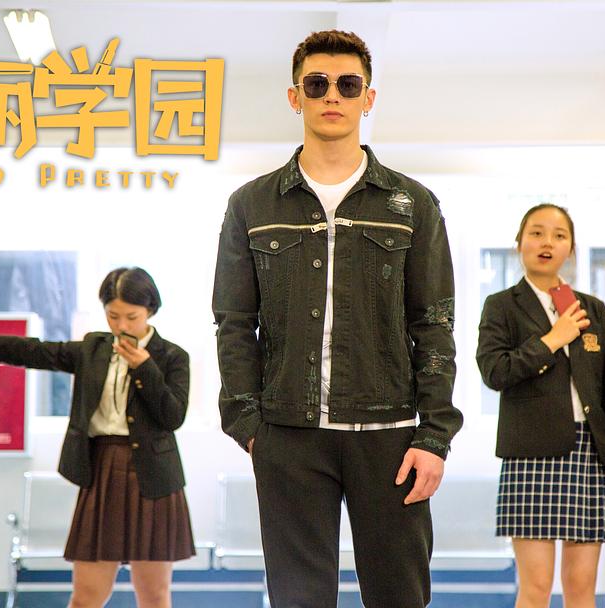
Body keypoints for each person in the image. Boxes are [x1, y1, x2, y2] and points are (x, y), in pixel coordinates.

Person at [212, 29, 462, 607]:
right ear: (294, 96)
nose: (332, 95)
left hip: (391, 437)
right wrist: (248, 424)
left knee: (399, 597)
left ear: (367, 99)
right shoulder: (251, 204)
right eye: (317, 84)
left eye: (348, 85)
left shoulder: (412, 204)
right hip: (288, 436)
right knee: (299, 600)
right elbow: (233, 322)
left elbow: (434, 324)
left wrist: (434, 435)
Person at [0, 267, 194, 608]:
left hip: (155, 477)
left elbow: (173, 416)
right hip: (102, 470)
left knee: (154, 595)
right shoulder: (94, 348)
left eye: (131, 317)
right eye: (113, 315)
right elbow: (33, 351)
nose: (121, 325)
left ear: (150, 310)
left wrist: (145, 368)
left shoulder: (173, 356)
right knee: (86, 595)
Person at [476, 204, 605, 608]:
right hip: (530, 452)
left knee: (582, 586)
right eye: (537, 233)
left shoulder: (590, 307)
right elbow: (495, 371)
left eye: (559, 235)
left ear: (571, 248)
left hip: (590, 452)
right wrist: (552, 339)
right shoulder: (502, 305)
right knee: (536, 586)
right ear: (519, 243)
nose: (547, 242)